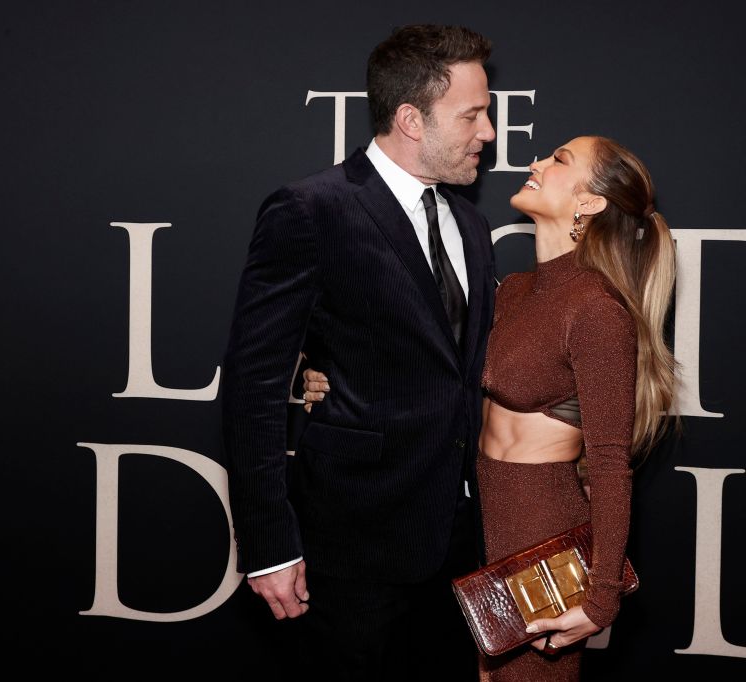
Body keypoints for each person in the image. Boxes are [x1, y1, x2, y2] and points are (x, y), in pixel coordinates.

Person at [305, 135, 679, 681]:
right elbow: (434, 372)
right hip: (469, 527)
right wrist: (331, 375)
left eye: (559, 161)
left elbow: (609, 463)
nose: (537, 162)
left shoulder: (597, 310)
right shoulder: (515, 290)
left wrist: (601, 601)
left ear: (591, 202)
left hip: (538, 530)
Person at [221, 24, 496, 681]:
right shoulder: (312, 211)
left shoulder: (471, 226)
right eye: (474, 114)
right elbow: (255, 388)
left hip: (461, 547)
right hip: (351, 550)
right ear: (409, 118)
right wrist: (269, 546)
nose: (488, 132)